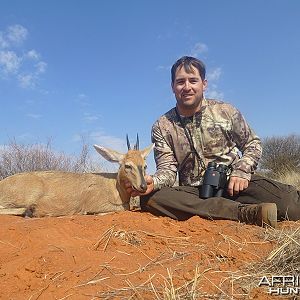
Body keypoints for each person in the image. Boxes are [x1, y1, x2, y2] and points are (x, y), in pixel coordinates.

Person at [127, 56, 300, 228]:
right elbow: (168, 169)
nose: (187, 87)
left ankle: (230, 209)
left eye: (193, 80)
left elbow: (252, 143)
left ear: (204, 84)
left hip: (234, 184)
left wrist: (241, 171)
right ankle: (245, 213)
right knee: (151, 198)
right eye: (180, 82)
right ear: (173, 87)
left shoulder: (226, 111)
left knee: (292, 206)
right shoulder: (161, 126)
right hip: (194, 193)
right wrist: (154, 182)